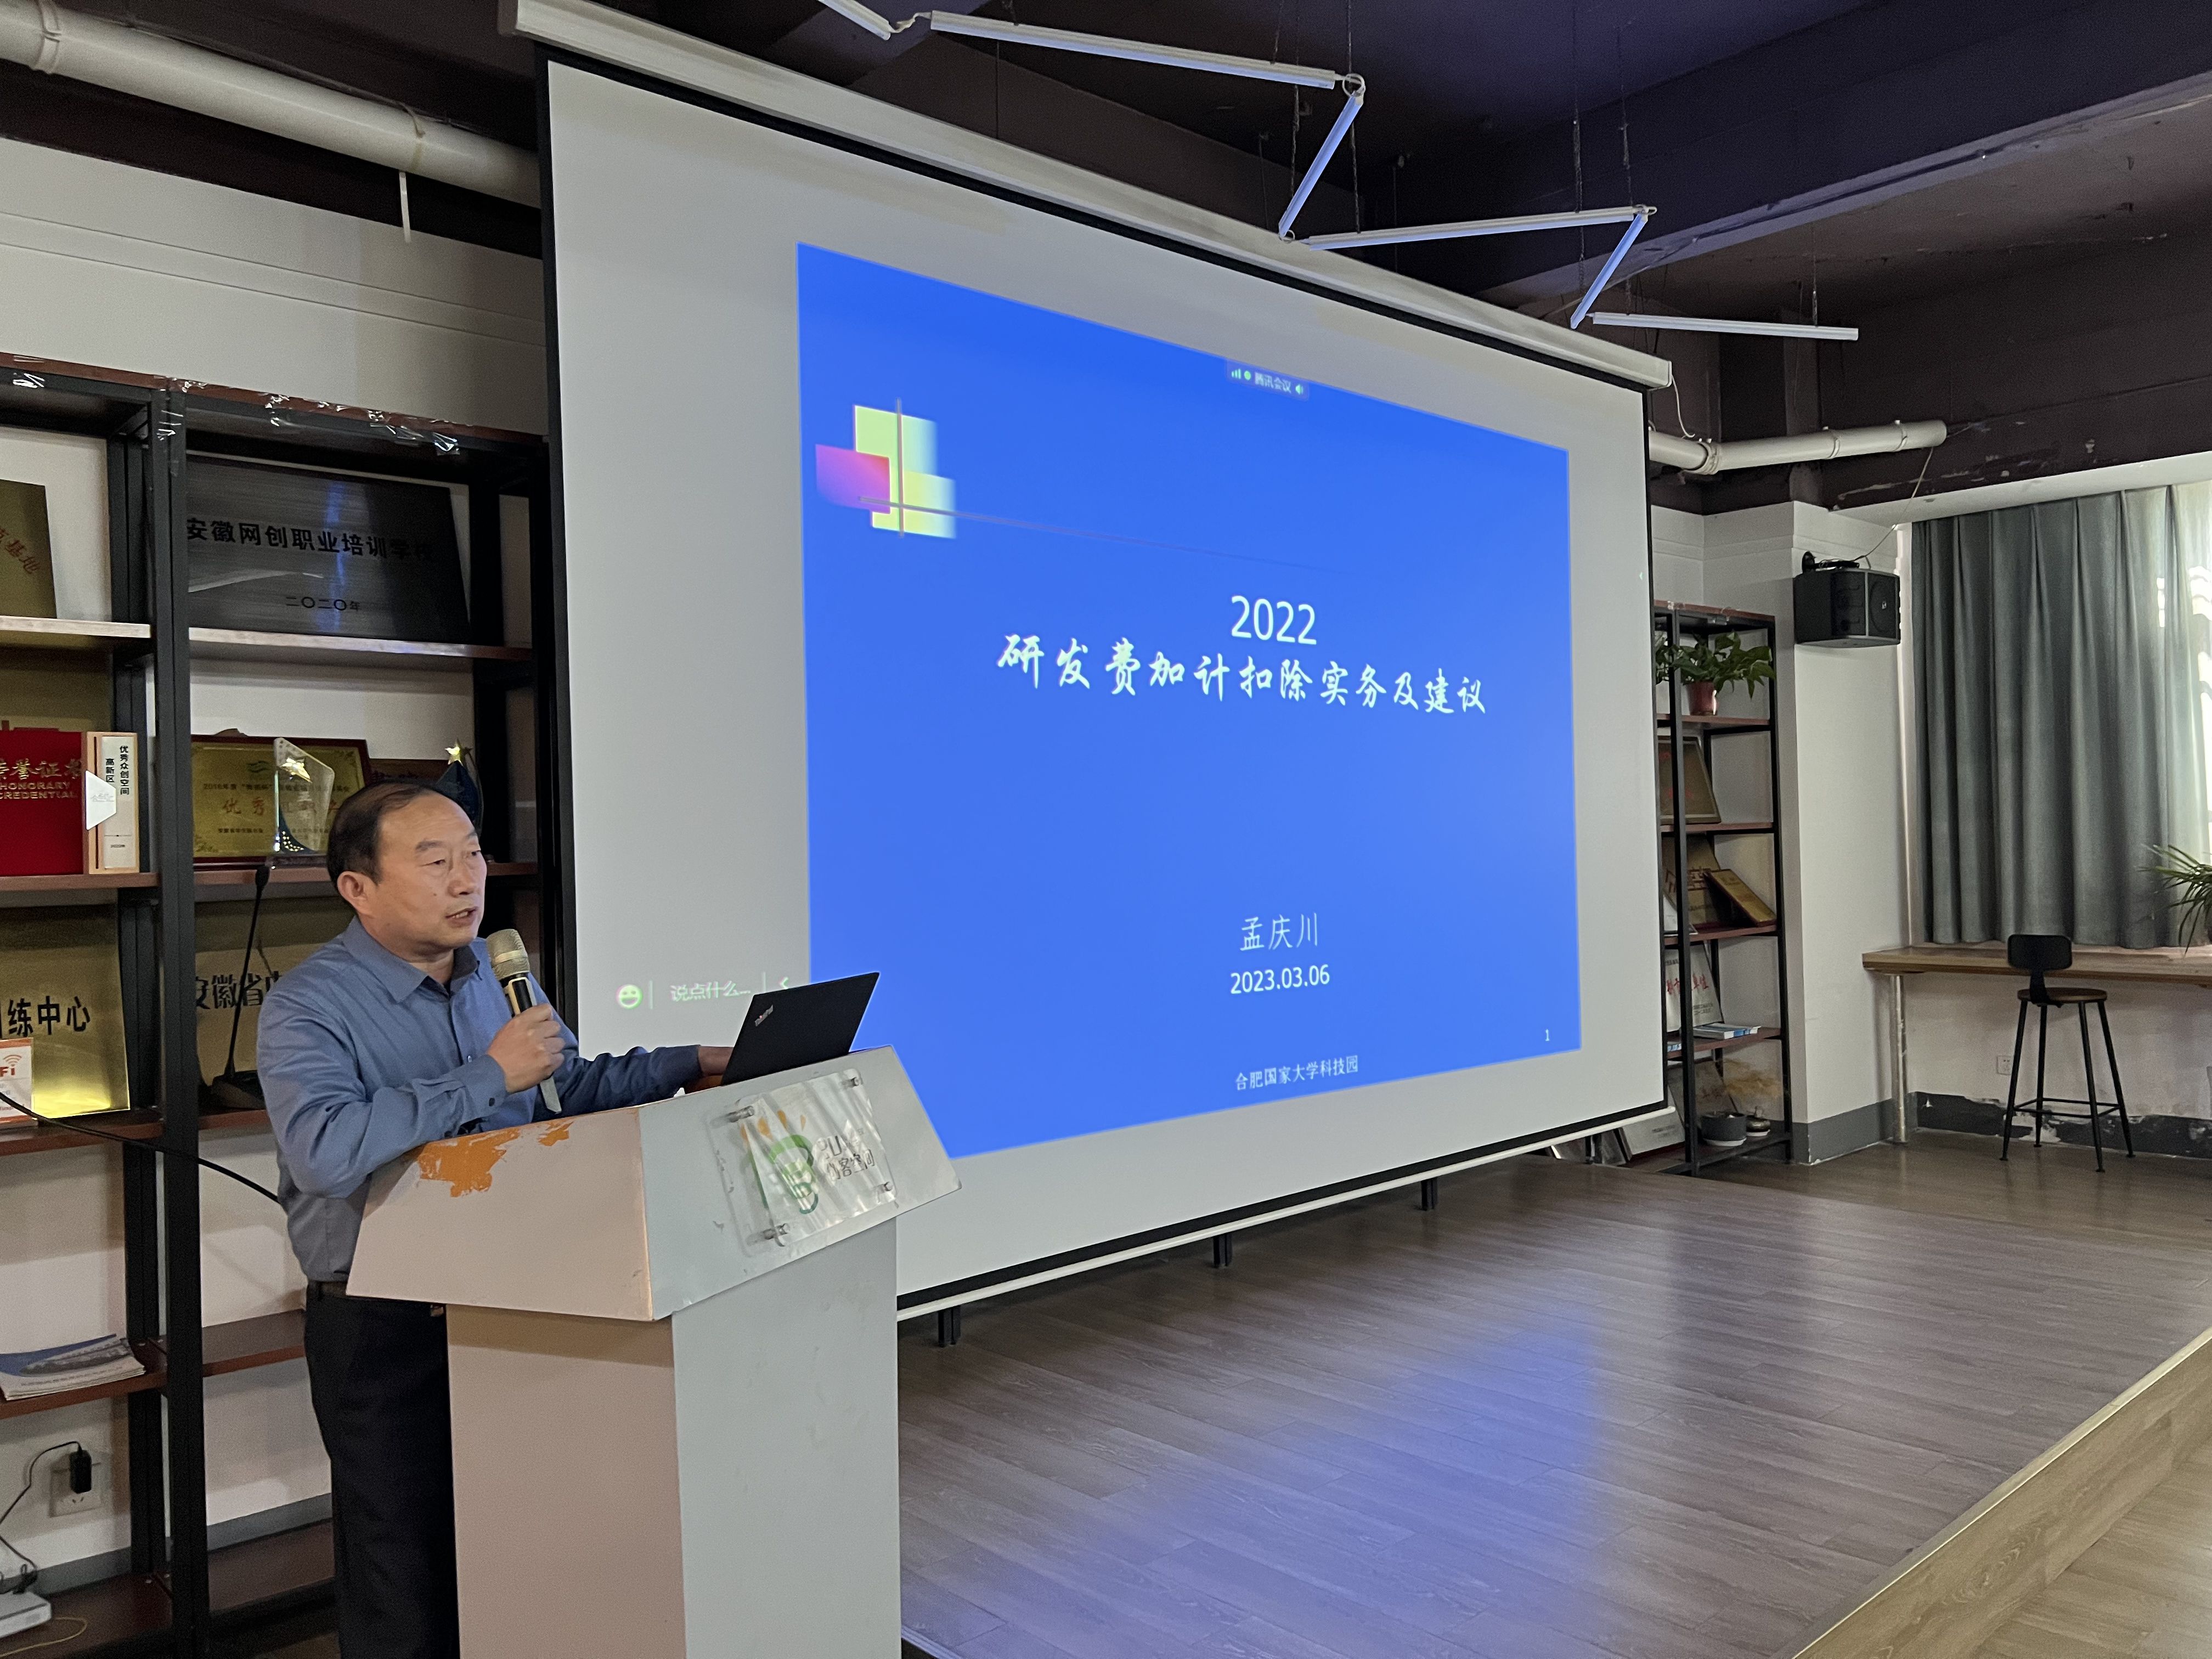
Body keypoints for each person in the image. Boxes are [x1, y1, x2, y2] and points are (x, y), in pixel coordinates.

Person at [257, 781, 730, 1659]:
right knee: (404, 1565)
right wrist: (487, 1076)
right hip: (386, 1321)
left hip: (513, 1297)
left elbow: (566, 1089)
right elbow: (326, 1150)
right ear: (358, 889)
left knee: (511, 1547)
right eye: (434, 861)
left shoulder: (496, 975)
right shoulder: (307, 1006)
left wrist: (691, 1061)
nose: (466, 878)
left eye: (472, 854)